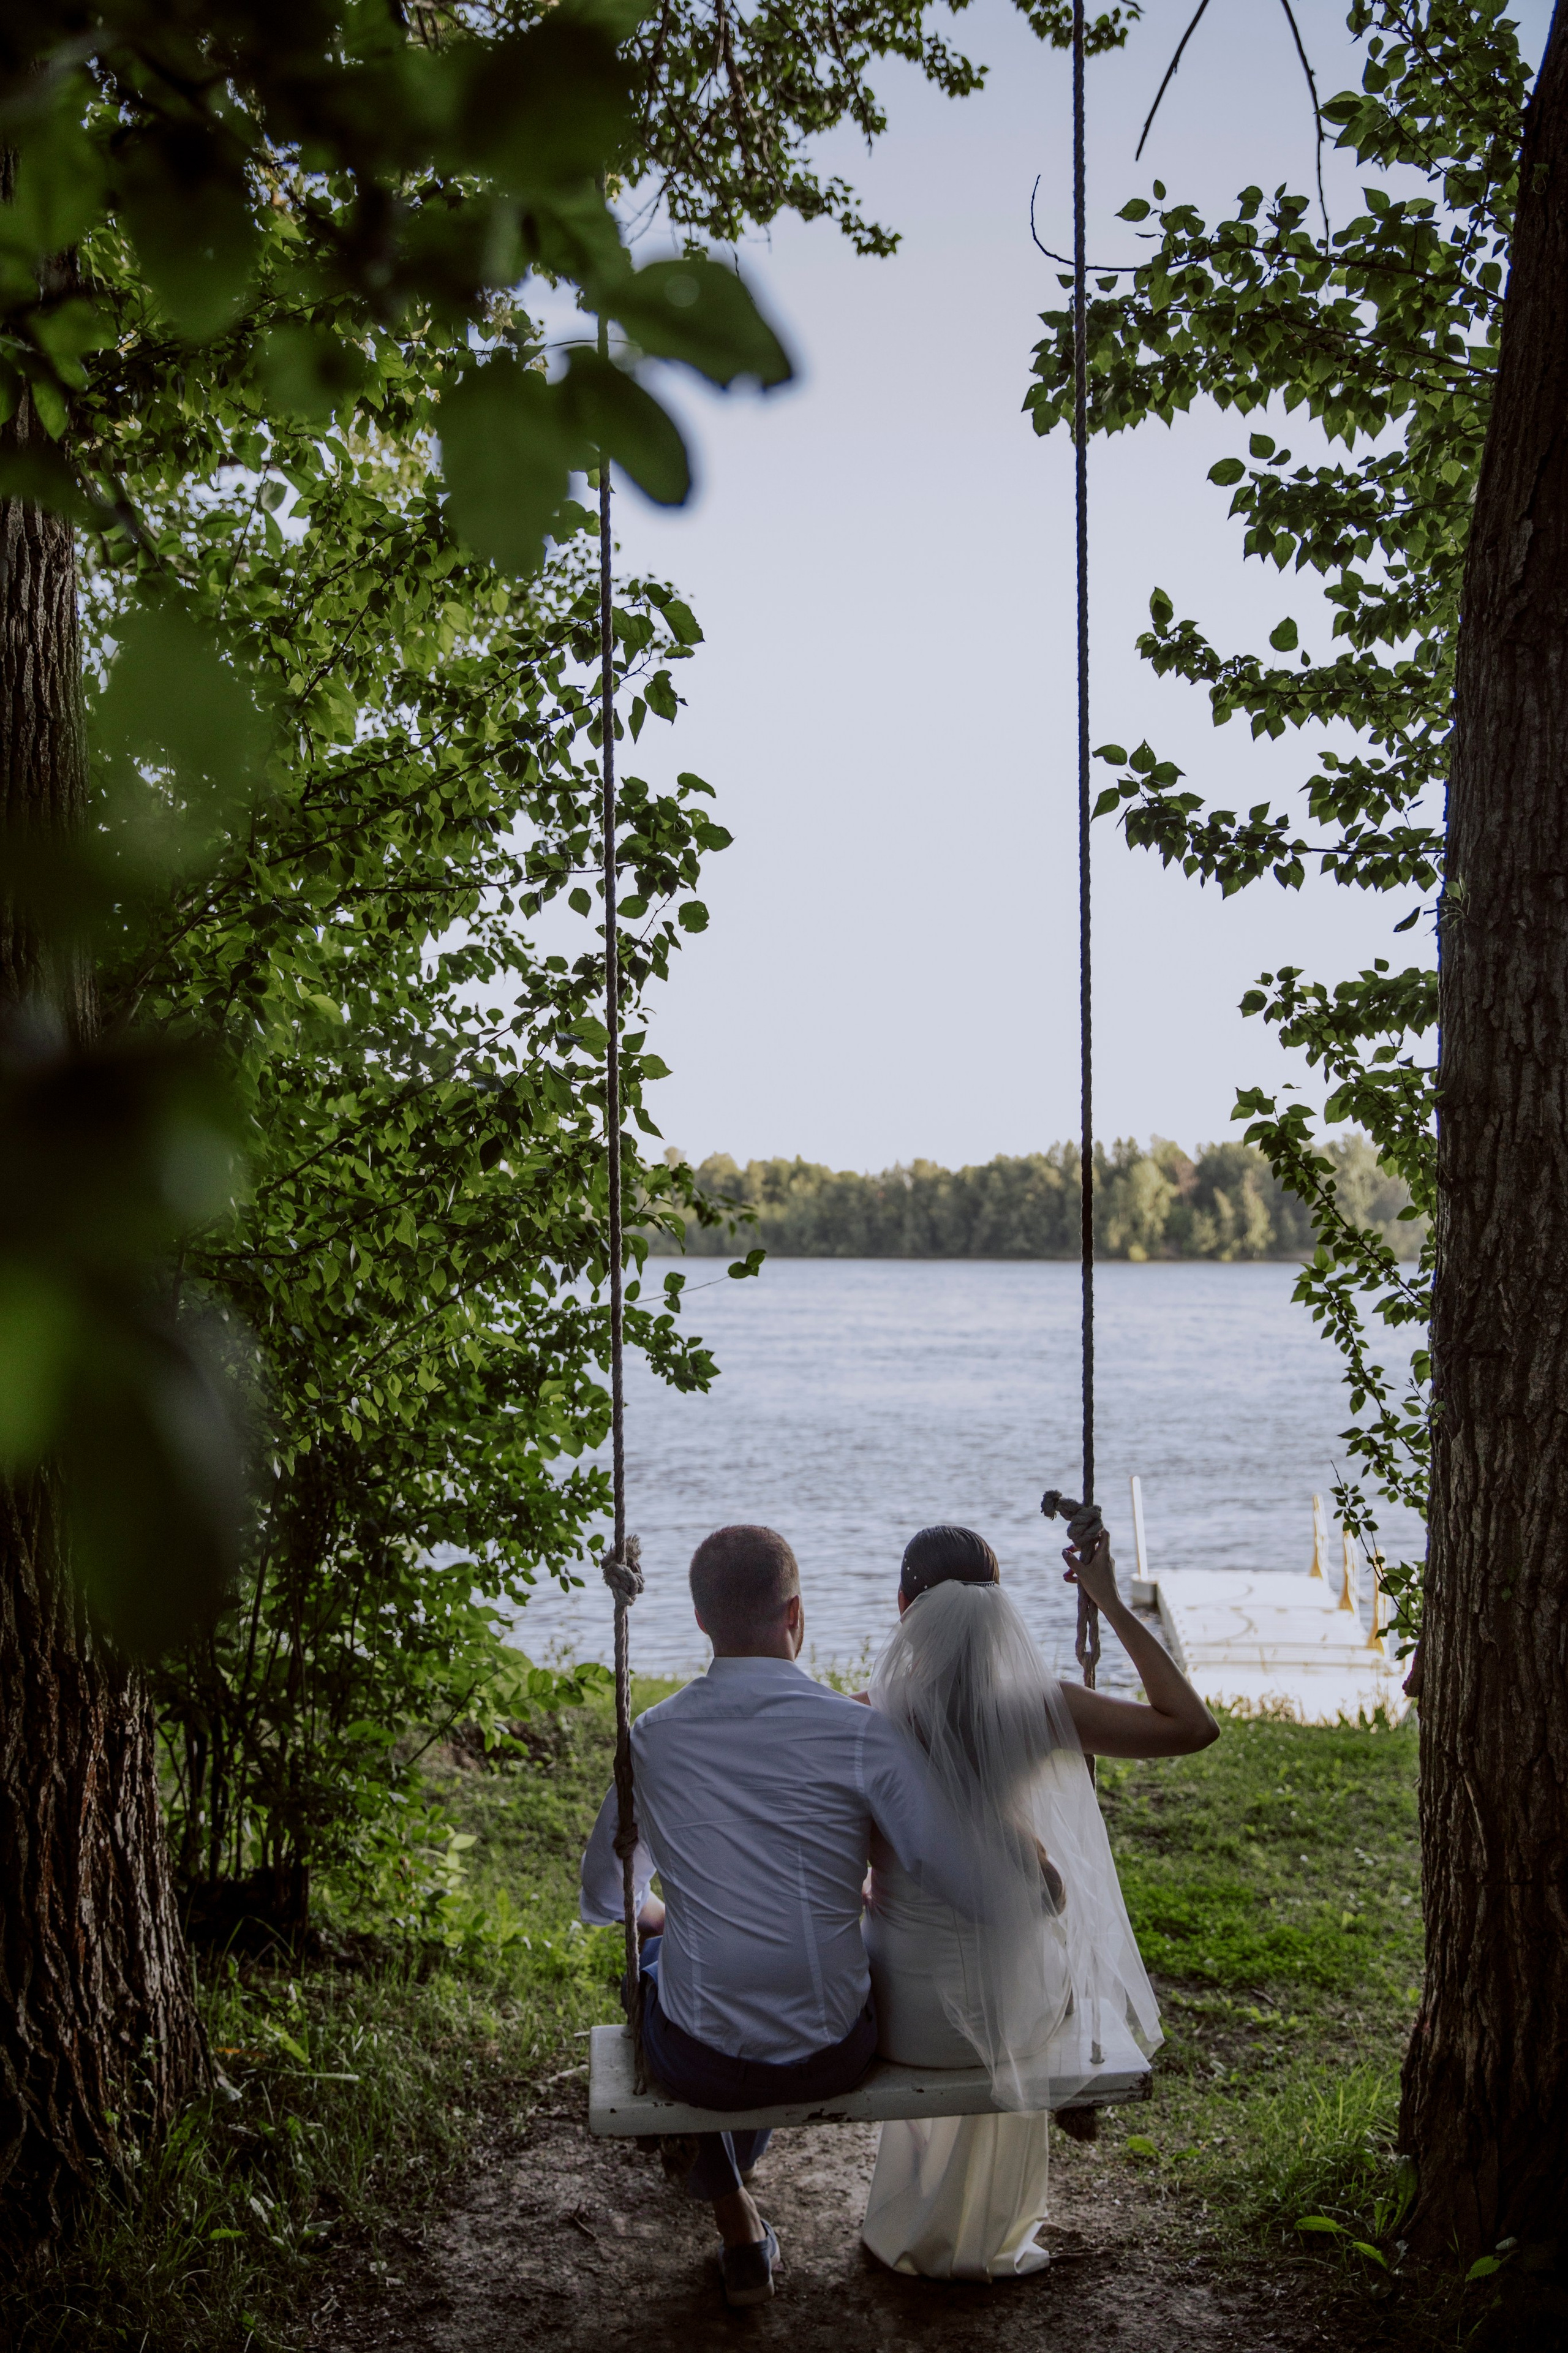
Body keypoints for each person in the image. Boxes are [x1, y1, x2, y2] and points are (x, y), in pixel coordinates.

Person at [579, 1523, 987, 2310]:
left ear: (701, 1621)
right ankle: (734, 2194)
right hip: (835, 2046)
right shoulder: (860, 1733)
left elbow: (605, 1901)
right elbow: (949, 1875)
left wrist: (667, 1912)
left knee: (660, 1970)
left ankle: (737, 2225)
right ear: (796, 1613)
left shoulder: (653, 1738)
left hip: (703, 2058)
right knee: (710, 1972)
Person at [857, 1519, 1218, 2282]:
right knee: (1042, 1929)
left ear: (902, 1607)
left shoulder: (861, 1717)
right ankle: (989, 2225)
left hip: (896, 2012)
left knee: (901, 1930)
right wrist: (1110, 1602)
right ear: (997, 1610)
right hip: (1013, 2010)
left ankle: (910, 2219)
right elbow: (1192, 1727)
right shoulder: (1042, 1708)